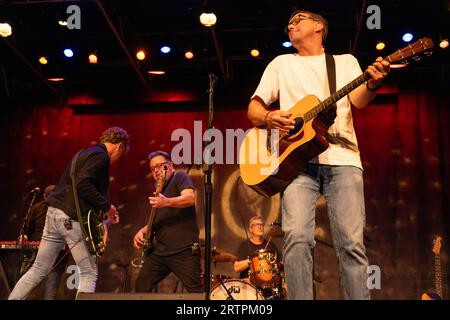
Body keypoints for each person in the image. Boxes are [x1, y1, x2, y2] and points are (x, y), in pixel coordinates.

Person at [246, 10, 390, 299]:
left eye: (299, 18)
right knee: (297, 238)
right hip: (297, 163)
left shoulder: (344, 62)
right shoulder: (281, 63)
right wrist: (269, 117)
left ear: (319, 26)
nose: (291, 24)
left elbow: (359, 100)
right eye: (288, 22)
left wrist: (373, 82)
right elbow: (254, 109)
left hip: (343, 158)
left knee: (351, 243)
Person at [9, 127, 129, 299]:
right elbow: (83, 185)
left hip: (53, 213)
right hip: (69, 218)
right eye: (121, 154)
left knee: (38, 269)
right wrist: (107, 206)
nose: (118, 159)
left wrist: (104, 211)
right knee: (88, 272)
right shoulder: (101, 157)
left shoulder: (84, 153)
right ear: (119, 147)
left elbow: (79, 188)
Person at [133, 151, 203, 293]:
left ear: (170, 166)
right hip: (160, 252)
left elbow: (190, 198)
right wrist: (143, 230)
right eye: (153, 168)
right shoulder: (159, 190)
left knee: (196, 293)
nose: (156, 170)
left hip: (183, 250)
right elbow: (160, 218)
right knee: (141, 287)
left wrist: (167, 201)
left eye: (160, 166)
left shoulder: (180, 177)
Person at [18, 184, 69, 299]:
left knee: (49, 294)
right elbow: (27, 228)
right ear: (44, 197)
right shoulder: (37, 208)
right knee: (25, 291)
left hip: (55, 257)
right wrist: (24, 236)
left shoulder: (65, 211)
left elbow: (69, 231)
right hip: (34, 255)